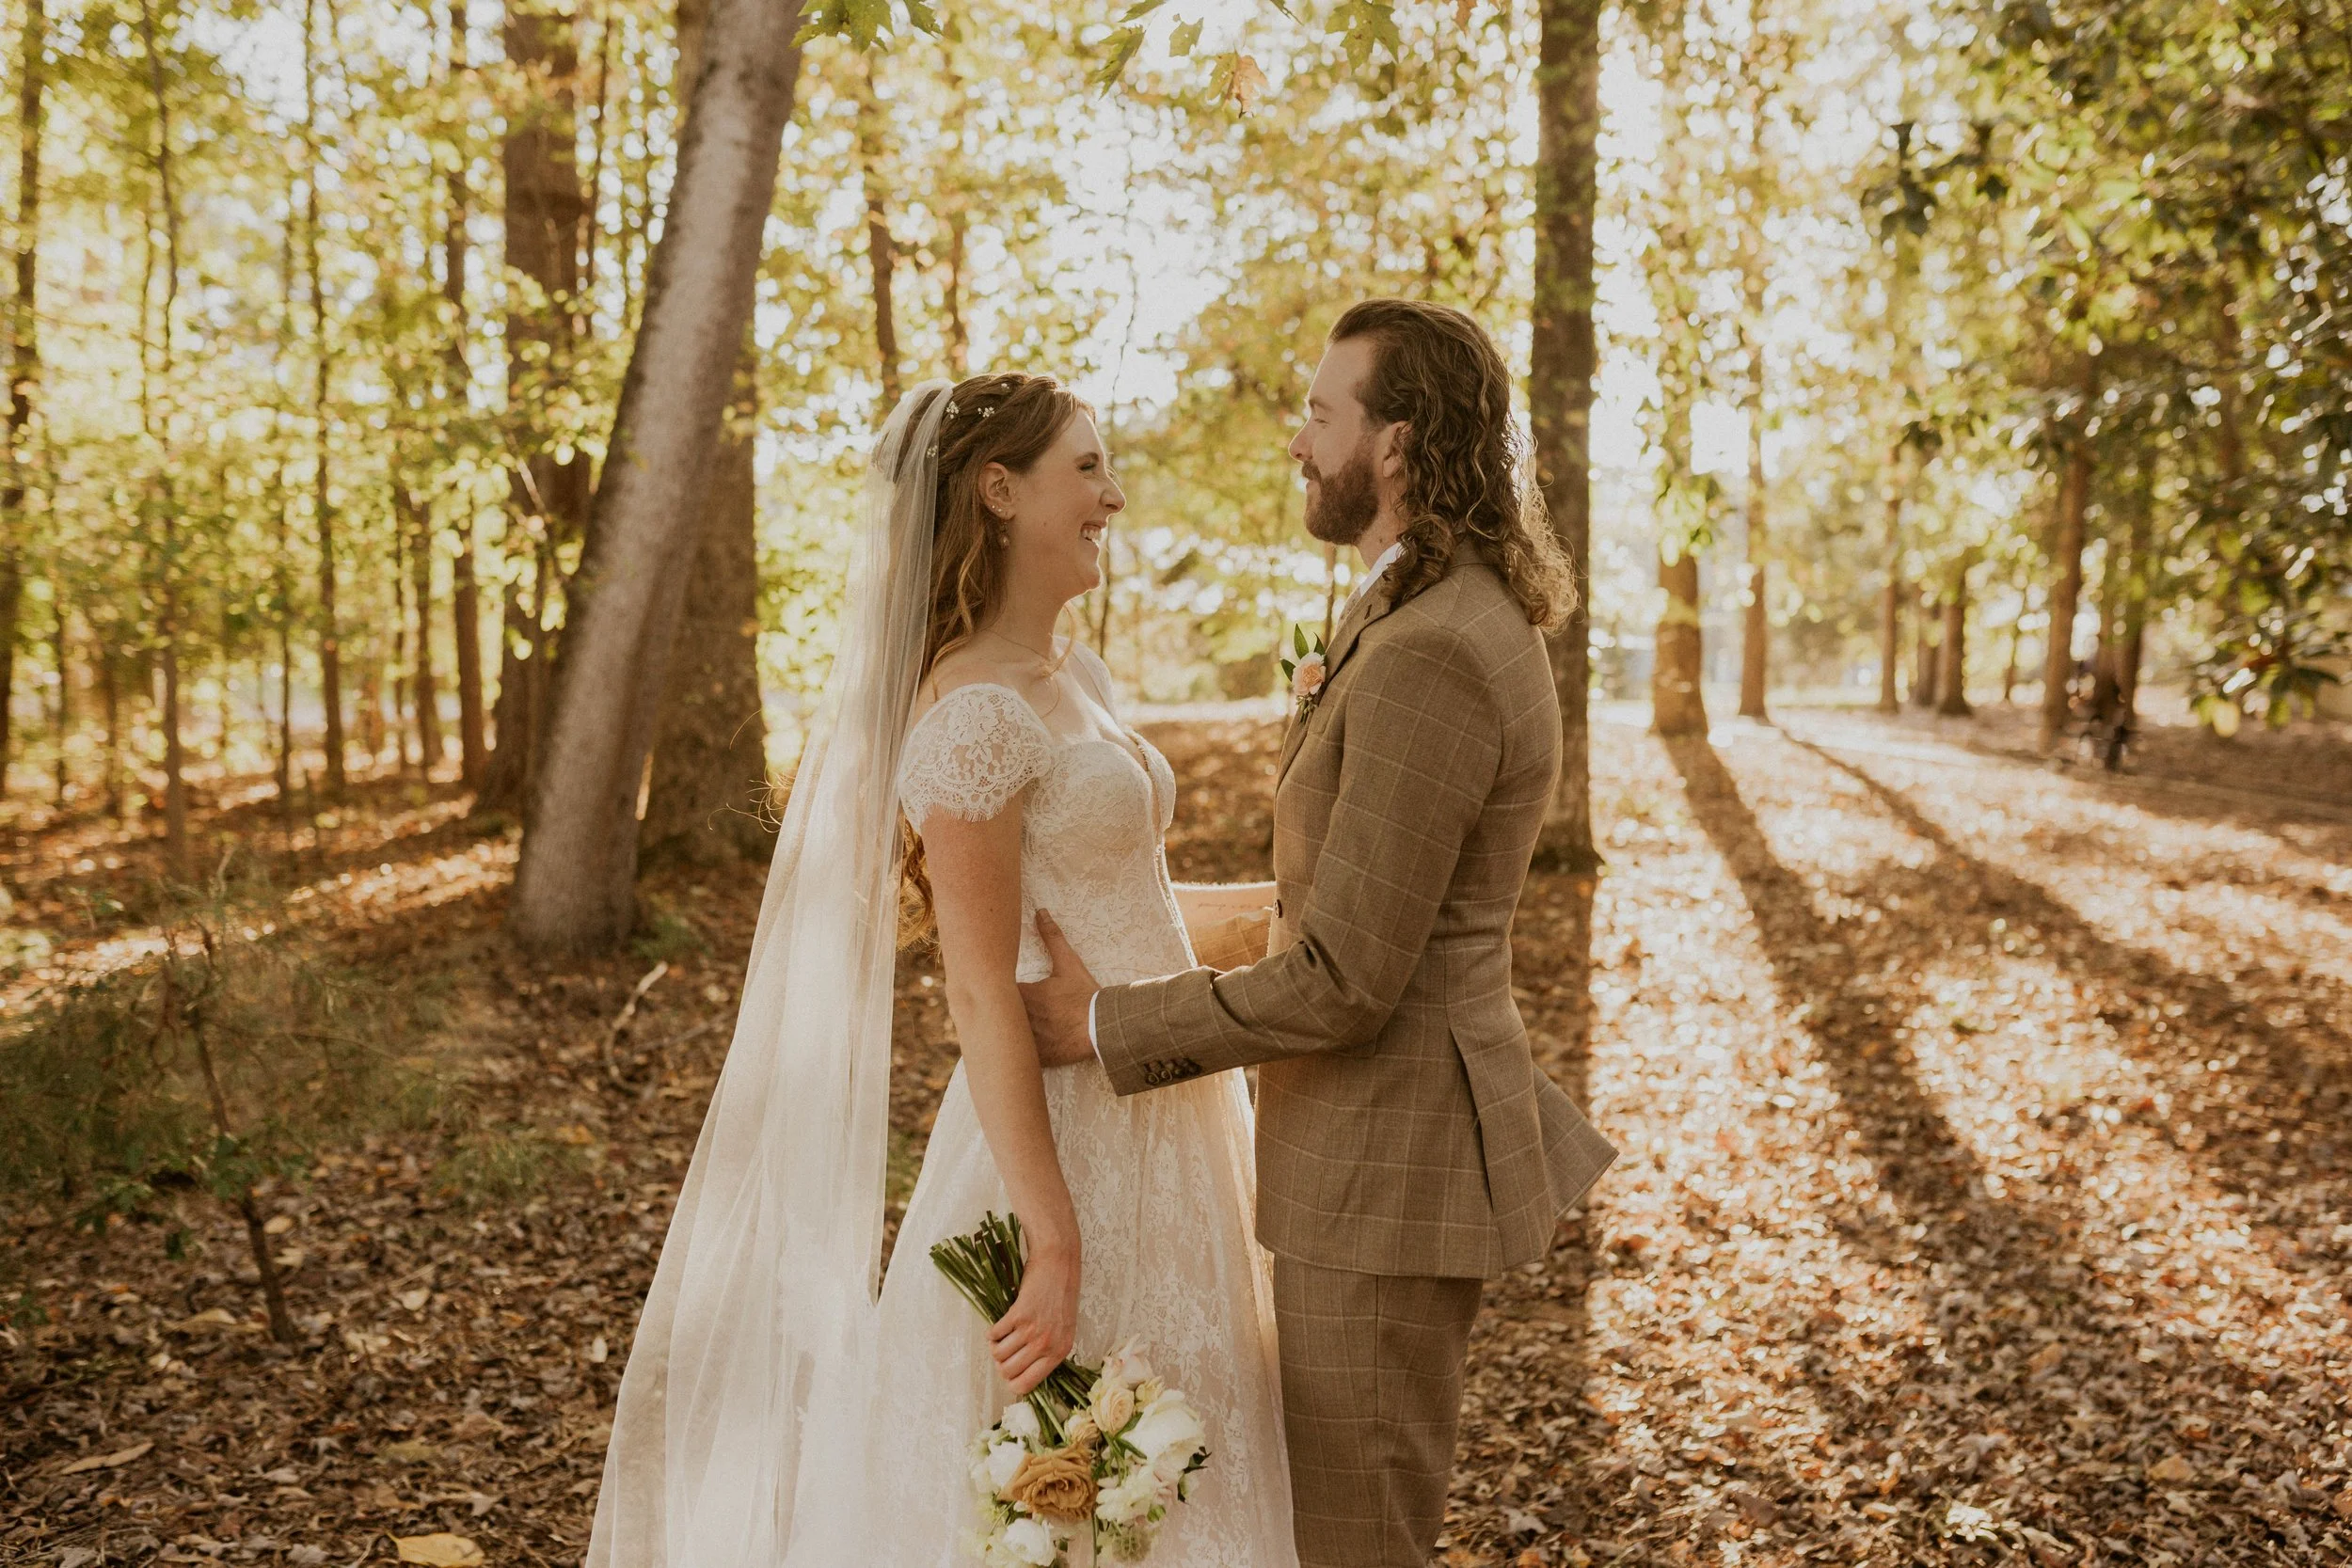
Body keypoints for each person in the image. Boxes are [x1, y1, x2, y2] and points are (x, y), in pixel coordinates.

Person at [586, 372, 1297, 1566]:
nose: (1112, 496)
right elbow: (978, 989)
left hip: (1176, 1112)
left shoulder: (1075, 677)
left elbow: (1118, 902)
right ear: (999, 490)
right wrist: (1052, 1233)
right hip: (1068, 1130)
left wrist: (1292, 919)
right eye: (1088, 468)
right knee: (1073, 1485)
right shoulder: (967, 715)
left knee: (1190, 1468)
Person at [1022, 298, 1617, 1568]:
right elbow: (1351, 899)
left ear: (1395, 445)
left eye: (1320, 412)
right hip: (1364, 1157)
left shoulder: (1437, 649)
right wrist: (1147, 920)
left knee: (1357, 1542)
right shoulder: (1413, 608)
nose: (1298, 439)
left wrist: (1103, 1021)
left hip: (1388, 1169)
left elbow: (1348, 976)